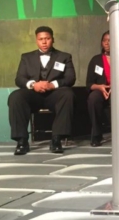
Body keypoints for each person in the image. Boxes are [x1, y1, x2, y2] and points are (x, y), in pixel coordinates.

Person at [8, 26, 75, 155]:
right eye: (41, 39)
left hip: (54, 94)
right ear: (36, 40)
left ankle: (57, 139)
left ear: (53, 39)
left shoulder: (64, 57)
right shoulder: (26, 57)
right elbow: (19, 79)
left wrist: (52, 85)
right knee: (15, 97)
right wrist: (33, 84)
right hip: (33, 94)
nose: (44, 42)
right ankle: (22, 141)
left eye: (47, 38)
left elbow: (70, 78)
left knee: (68, 94)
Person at [86, 31, 119, 147]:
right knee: (93, 98)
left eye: (110, 40)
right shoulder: (95, 60)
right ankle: (97, 134)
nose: (107, 43)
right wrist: (100, 87)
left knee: (118, 96)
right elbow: (89, 84)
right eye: (104, 40)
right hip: (101, 90)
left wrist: (117, 87)